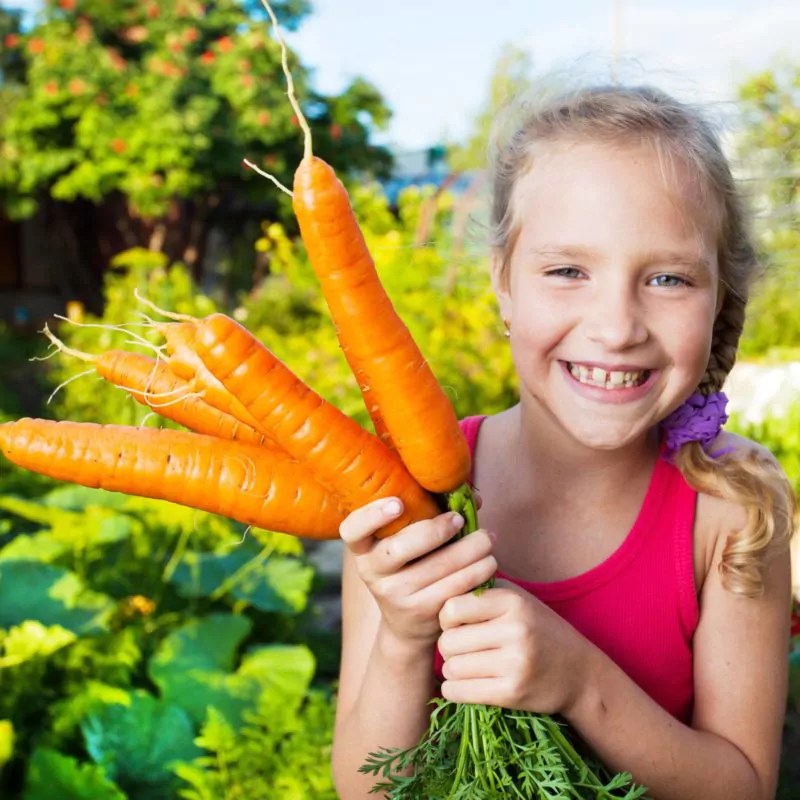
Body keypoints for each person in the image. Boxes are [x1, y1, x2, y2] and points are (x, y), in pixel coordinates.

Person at [331, 83, 797, 800]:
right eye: (568, 272)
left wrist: (580, 684)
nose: (616, 327)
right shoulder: (411, 496)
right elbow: (368, 790)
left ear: (721, 298)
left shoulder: (732, 506)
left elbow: (745, 786)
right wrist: (402, 636)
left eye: (669, 278)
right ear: (504, 285)